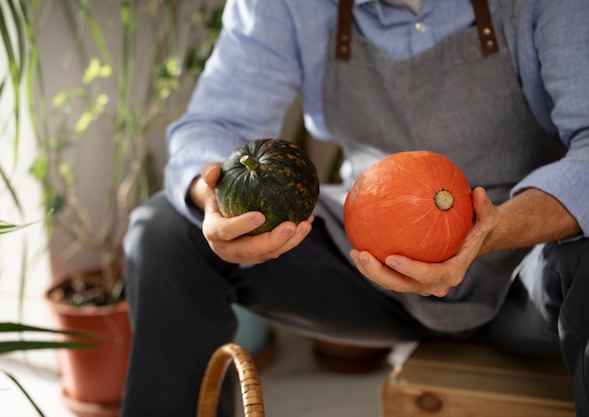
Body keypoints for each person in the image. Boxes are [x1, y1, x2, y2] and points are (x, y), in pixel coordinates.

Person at [120, 0, 589, 416]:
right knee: (161, 232)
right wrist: (215, 204)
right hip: (368, 268)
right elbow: (215, 124)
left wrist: (493, 230)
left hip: (525, 268)